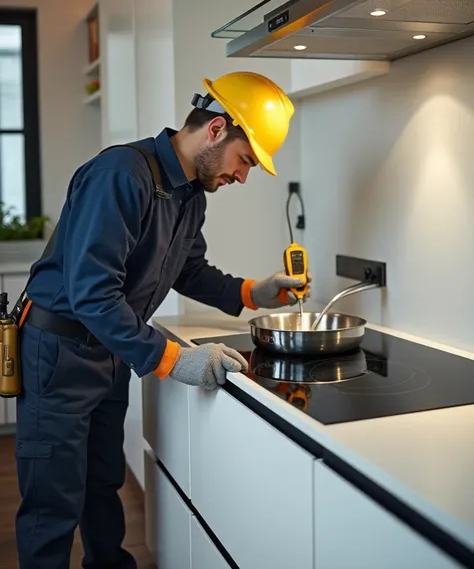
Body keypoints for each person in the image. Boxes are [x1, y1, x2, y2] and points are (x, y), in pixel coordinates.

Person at [14, 70, 312, 569]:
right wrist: (175, 359)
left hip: (108, 351)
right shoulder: (122, 175)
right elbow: (92, 294)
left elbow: (187, 268)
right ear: (216, 128)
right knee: (53, 505)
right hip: (59, 356)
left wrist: (249, 291)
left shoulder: (190, 194)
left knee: (101, 486)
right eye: (245, 160)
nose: (242, 176)